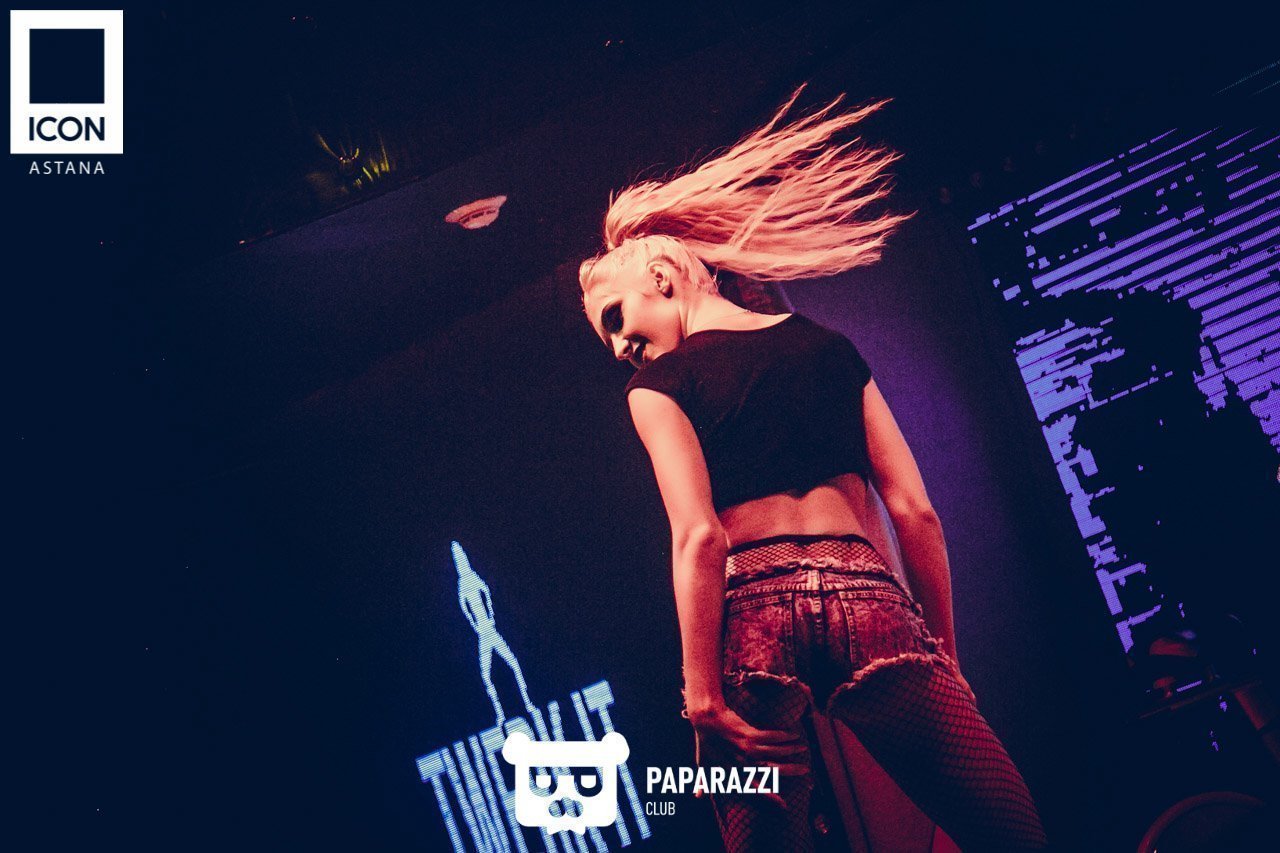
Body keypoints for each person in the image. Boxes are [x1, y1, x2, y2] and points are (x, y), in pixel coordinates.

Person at [578, 86, 1048, 851]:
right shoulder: (828, 347)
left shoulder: (657, 388)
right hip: (868, 600)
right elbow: (914, 509)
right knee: (1015, 835)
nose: (621, 348)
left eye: (615, 320)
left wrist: (702, 696)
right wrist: (944, 659)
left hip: (754, 622)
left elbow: (699, 536)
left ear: (662, 276)